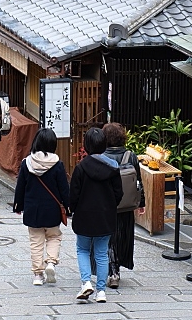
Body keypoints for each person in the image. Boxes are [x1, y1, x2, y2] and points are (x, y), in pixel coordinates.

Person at [69, 128, 123, 304]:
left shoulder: (81, 168)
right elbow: (119, 193)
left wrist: (73, 209)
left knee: (83, 250)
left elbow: (74, 195)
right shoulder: (113, 168)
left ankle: (86, 283)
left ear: (86, 146)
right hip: (105, 217)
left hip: (84, 217)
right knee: (101, 254)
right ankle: (101, 291)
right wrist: (109, 206)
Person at [12, 128, 69, 286]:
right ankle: (51, 262)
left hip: (32, 210)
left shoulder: (26, 163)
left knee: (36, 242)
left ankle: (38, 274)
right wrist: (69, 207)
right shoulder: (57, 164)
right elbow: (64, 189)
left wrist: (18, 205)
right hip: (52, 210)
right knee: (54, 236)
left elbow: (20, 187)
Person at [101, 122, 144, 289]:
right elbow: (138, 181)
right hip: (126, 205)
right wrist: (142, 203)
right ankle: (115, 269)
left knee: (108, 238)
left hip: (105, 204)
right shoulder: (130, 156)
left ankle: (112, 271)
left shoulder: (101, 155)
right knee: (121, 237)